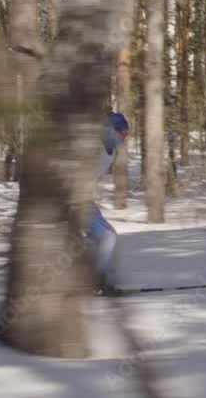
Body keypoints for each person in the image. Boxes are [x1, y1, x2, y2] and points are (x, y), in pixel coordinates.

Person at [87, 112, 129, 295]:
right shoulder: (92, 146)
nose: (123, 138)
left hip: (83, 199)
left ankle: (88, 278)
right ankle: (97, 282)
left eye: (125, 134)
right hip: (74, 200)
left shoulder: (109, 152)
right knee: (108, 236)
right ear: (110, 129)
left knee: (96, 239)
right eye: (121, 132)